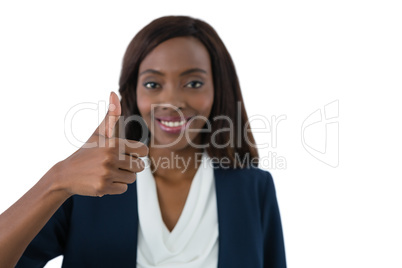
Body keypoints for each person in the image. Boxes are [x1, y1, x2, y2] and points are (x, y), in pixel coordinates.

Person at [0, 15, 286, 267]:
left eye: (194, 83)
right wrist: (57, 180)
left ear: (218, 88)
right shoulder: (87, 187)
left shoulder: (253, 189)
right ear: (132, 92)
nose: (172, 101)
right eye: (153, 84)